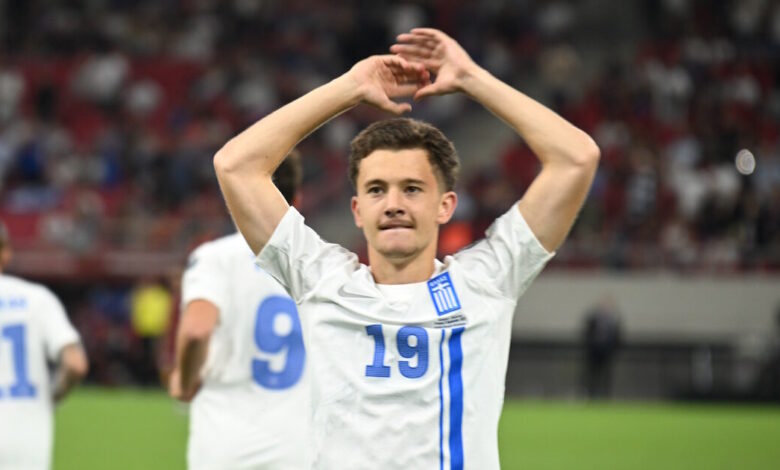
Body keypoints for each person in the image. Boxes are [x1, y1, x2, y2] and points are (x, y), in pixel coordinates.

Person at [214, 28, 599, 469]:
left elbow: (576, 158)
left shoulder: (488, 280)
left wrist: (472, 78)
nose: (393, 204)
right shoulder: (319, 280)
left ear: (445, 205)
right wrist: (349, 88)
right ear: (357, 210)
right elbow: (235, 165)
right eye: (377, 189)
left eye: (412, 188)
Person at [170, 153, 309, 469]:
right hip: (299, 446)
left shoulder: (215, 258)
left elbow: (197, 330)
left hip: (226, 445)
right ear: (297, 200)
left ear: (236, 199)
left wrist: (185, 380)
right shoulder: (317, 261)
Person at [0, 222, 88, 470]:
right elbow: (75, 363)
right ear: (6, 253)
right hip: (25, 435)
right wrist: (54, 395)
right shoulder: (37, 298)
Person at [582, 296, 622, 399]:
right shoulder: (593, 319)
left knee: (607, 376)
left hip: (607, 353)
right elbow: (587, 334)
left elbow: (617, 337)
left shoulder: (613, 321)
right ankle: (591, 395)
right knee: (592, 375)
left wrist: (612, 349)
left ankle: (606, 396)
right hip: (594, 352)